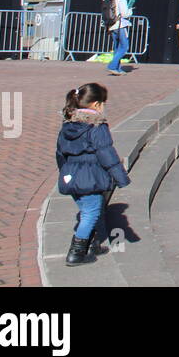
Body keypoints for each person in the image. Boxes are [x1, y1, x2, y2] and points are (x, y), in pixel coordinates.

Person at [56, 83, 131, 266]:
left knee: (90, 210)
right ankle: (76, 253)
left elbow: (60, 153)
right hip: (91, 177)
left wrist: (65, 172)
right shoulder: (97, 126)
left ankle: (93, 245)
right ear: (96, 105)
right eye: (104, 103)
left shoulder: (68, 125)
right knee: (91, 212)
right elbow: (107, 154)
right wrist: (121, 178)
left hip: (71, 176)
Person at [101, 0, 132, 77]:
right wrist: (130, 10)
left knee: (117, 47)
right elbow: (125, 14)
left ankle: (117, 69)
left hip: (111, 25)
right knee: (124, 47)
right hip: (120, 25)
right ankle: (112, 66)